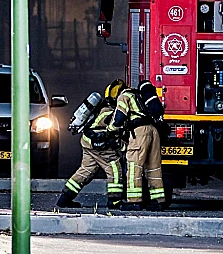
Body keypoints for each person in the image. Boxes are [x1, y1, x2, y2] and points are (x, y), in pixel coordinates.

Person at [55, 79, 126, 209]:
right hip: (98, 144)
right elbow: (114, 128)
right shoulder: (111, 112)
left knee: (86, 171)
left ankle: (64, 199)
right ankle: (114, 201)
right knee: (114, 168)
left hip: (87, 141)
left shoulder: (102, 108)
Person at [107, 82, 165, 210]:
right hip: (153, 131)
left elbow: (118, 119)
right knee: (153, 168)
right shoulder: (139, 95)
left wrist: (110, 131)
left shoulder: (124, 96)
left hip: (140, 132)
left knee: (134, 167)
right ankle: (158, 201)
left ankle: (134, 201)